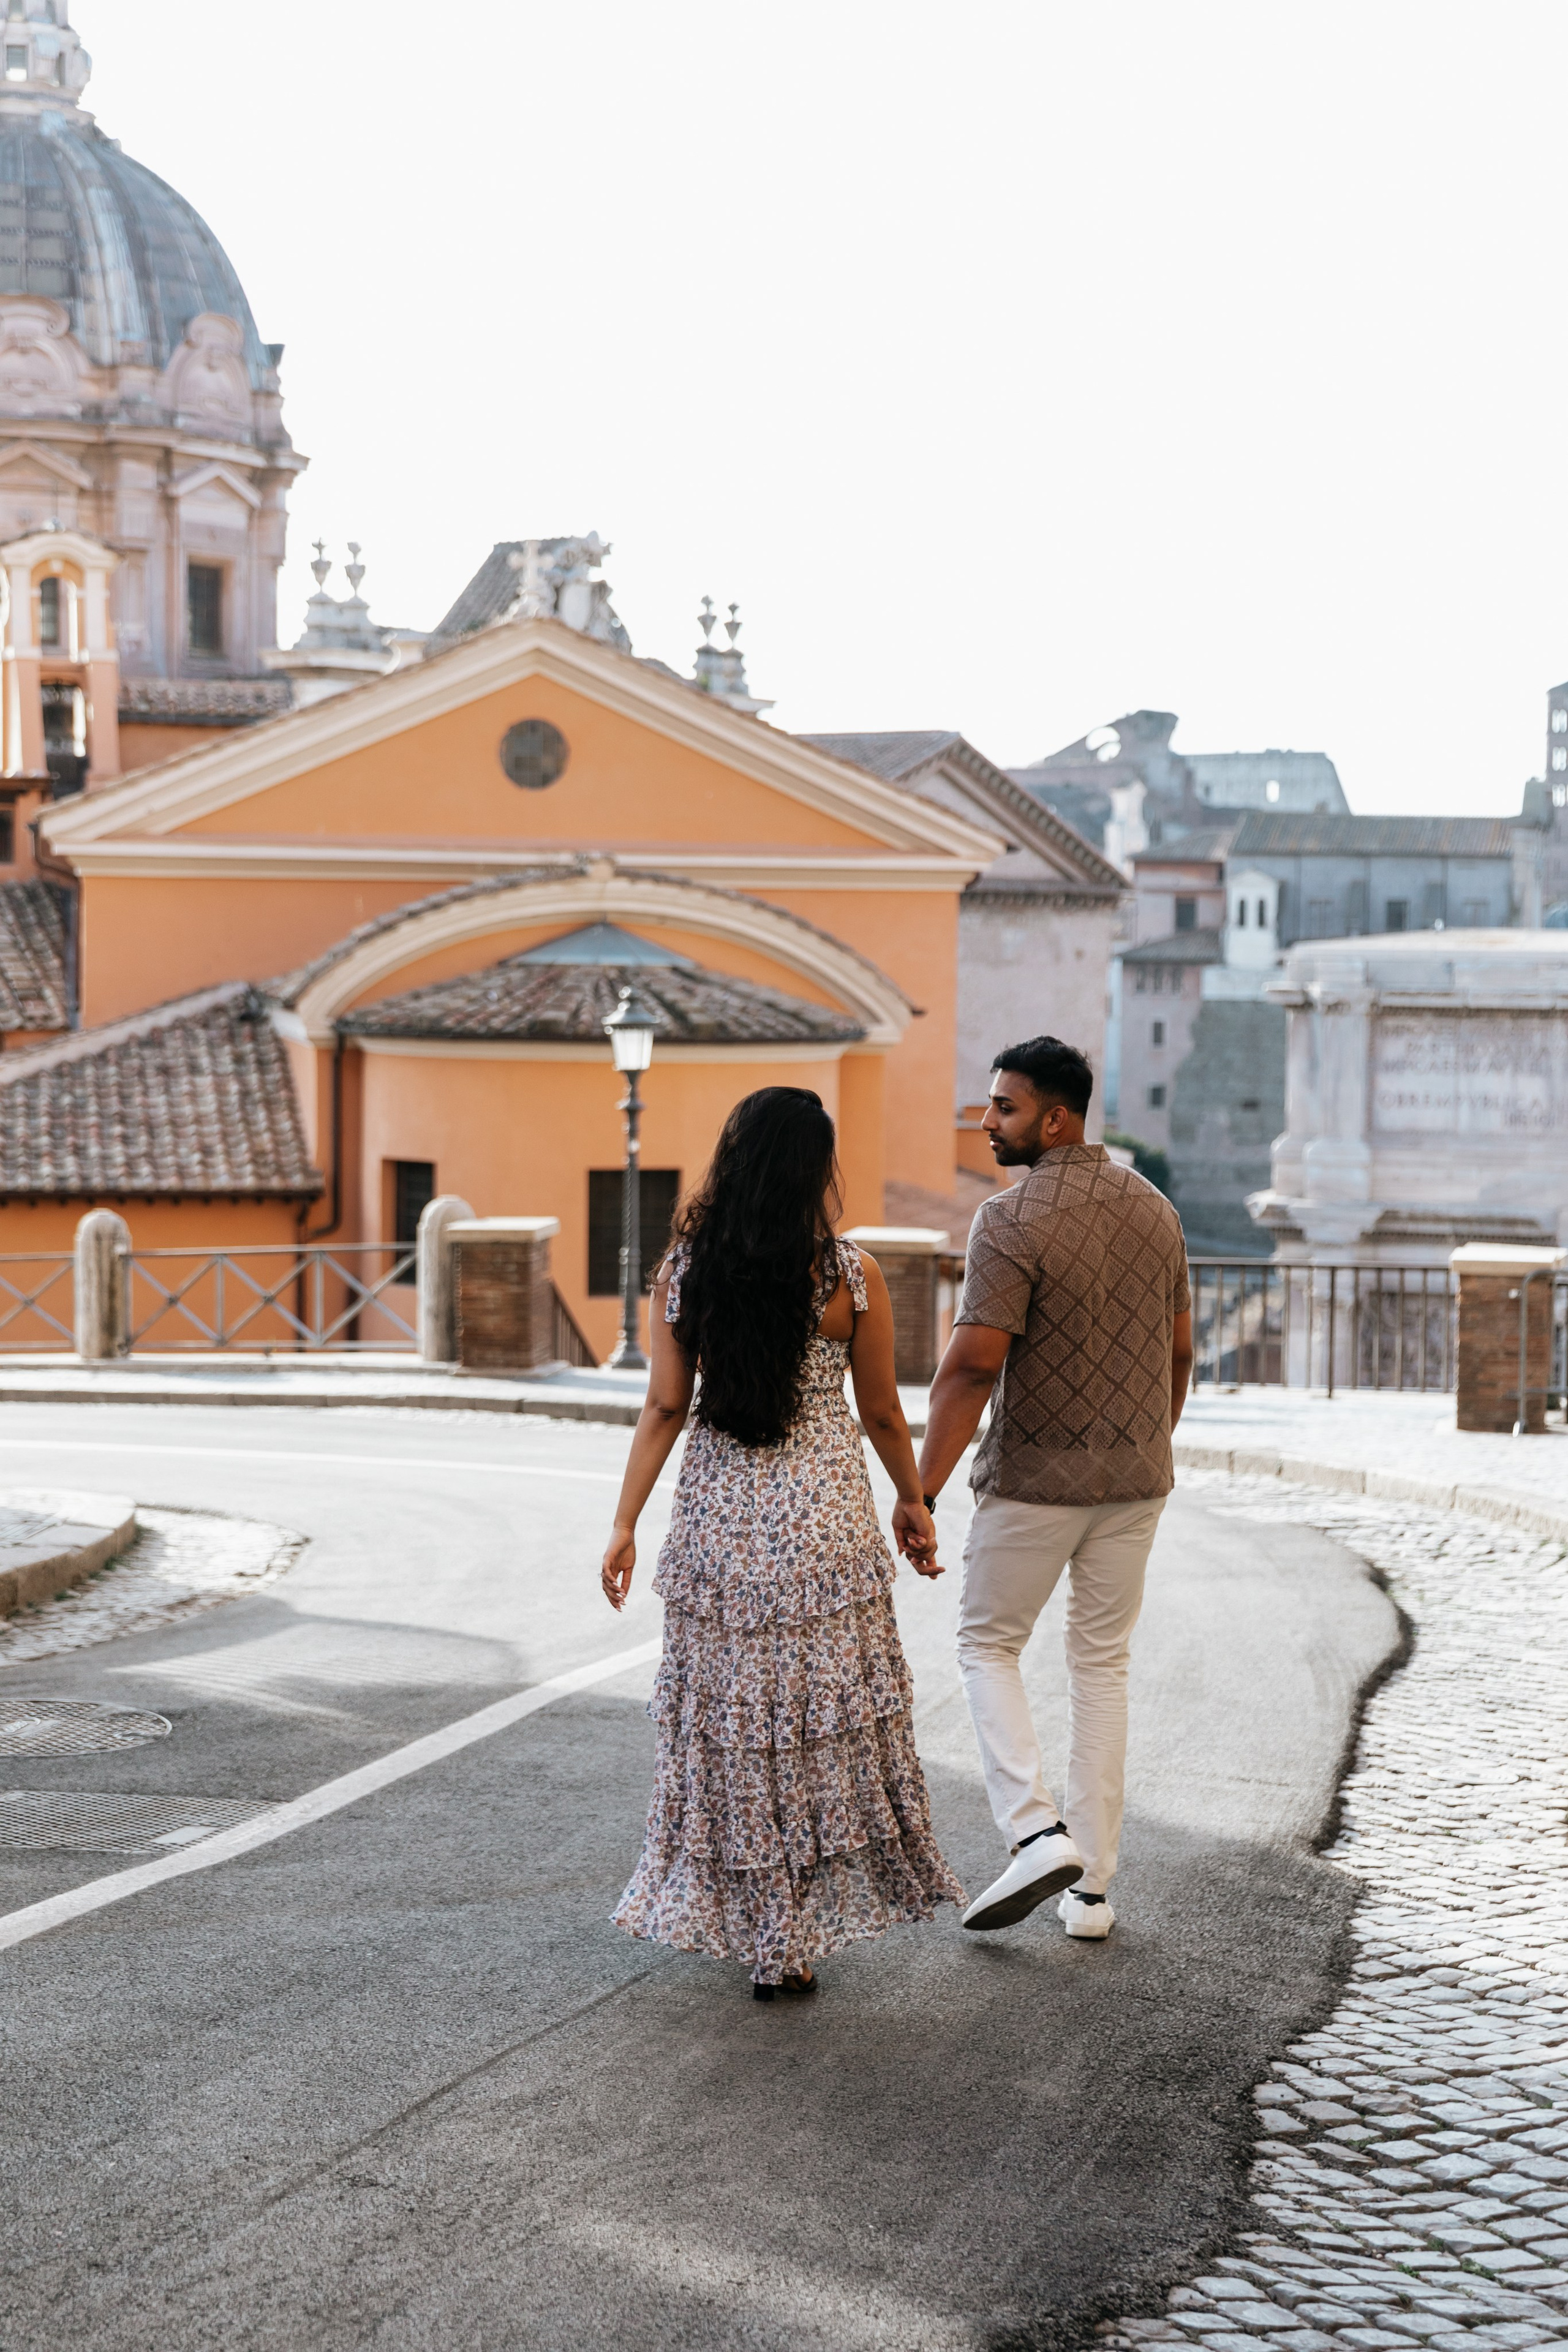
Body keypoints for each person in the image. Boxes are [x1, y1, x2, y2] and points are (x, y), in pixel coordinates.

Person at [602, 1086, 963, 1999]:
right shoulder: (851, 1277)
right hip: (825, 1528)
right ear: (815, 1172)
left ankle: (767, 1933)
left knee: (735, 1732)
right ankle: (791, 1935)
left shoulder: (686, 1273)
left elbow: (663, 1408)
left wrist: (624, 1524)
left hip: (721, 1529)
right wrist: (914, 1503)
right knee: (810, 1729)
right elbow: (881, 1410)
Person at [916, 1035, 1193, 1943]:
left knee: (987, 1645)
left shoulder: (1008, 1218)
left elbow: (970, 1371)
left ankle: (1036, 1833)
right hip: (1137, 1479)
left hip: (1037, 1480)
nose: (987, 1121)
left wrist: (919, 1489)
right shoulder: (1158, 1211)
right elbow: (1181, 1353)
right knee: (1101, 1665)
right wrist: (1146, 1441)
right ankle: (1094, 1891)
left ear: (1055, 1117)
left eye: (1003, 1106)